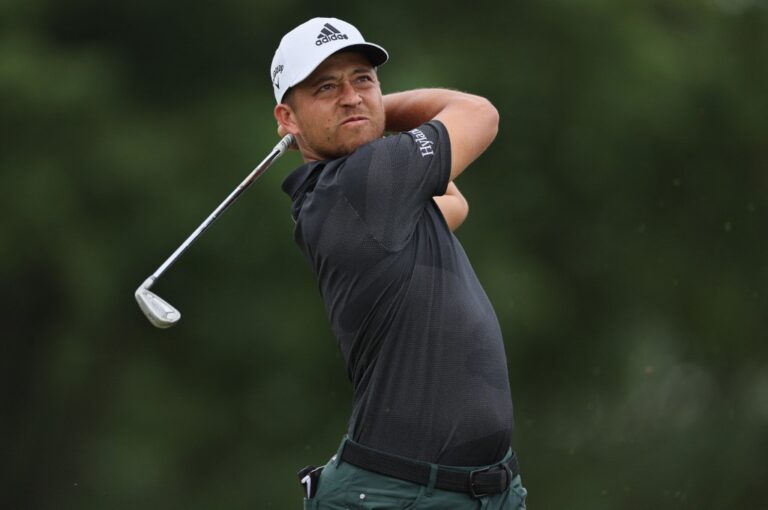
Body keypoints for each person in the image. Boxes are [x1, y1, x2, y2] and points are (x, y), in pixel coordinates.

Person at [271, 17, 527, 509]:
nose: (351, 96)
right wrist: (373, 110)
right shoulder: (361, 181)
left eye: (363, 80)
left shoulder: (354, 200)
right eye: (326, 87)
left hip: (470, 493)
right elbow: (479, 114)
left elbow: (453, 203)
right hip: (399, 495)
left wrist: (354, 112)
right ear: (288, 117)